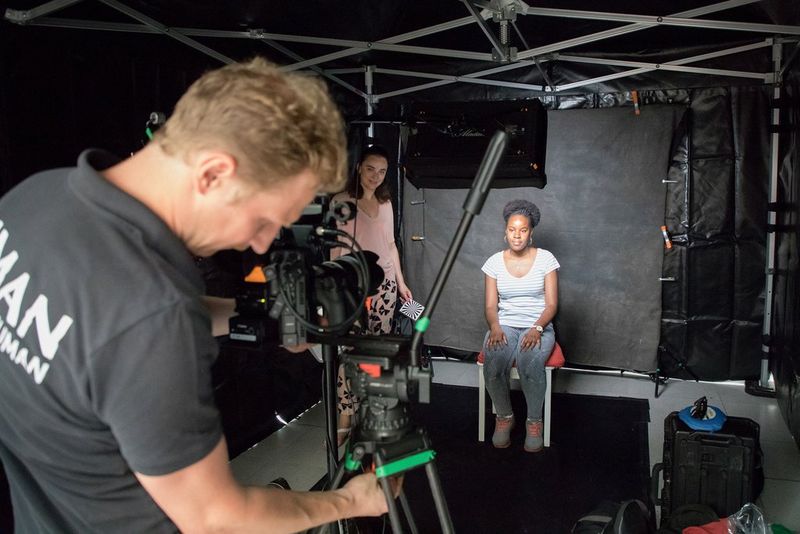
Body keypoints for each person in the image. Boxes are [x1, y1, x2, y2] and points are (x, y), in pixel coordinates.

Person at [0, 57, 395, 533]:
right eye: (264, 218)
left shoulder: (32, 199)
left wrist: (263, 314)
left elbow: (95, 329)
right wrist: (346, 501)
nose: (262, 242)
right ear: (212, 173)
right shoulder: (152, 312)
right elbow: (216, 518)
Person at [330, 145, 412, 444]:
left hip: (386, 286)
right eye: (370, 169)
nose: (375, 176)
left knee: (378, 350)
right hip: (352, 285)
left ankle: (374, 408)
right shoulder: (341, 201)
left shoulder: (386, 202)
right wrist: (332, 288)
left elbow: (390, 244)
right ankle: (346, 412)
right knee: (349, 352)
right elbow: (336, 247)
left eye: (381, 171)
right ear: (358, 168)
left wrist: (401, 284)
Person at [482, 199, 559, 452]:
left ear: (531, 233)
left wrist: (537, 329)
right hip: (504, 325)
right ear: (505, 232)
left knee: (529, 362)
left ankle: (534, 421)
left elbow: (551, 305)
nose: (517, 235)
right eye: (512, 229)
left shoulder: (546, 259)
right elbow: (491, 306)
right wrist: (495, 326)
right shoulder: (493, 262)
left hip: (538, 325)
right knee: (494, 362)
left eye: (523, 230)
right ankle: (504, 416)